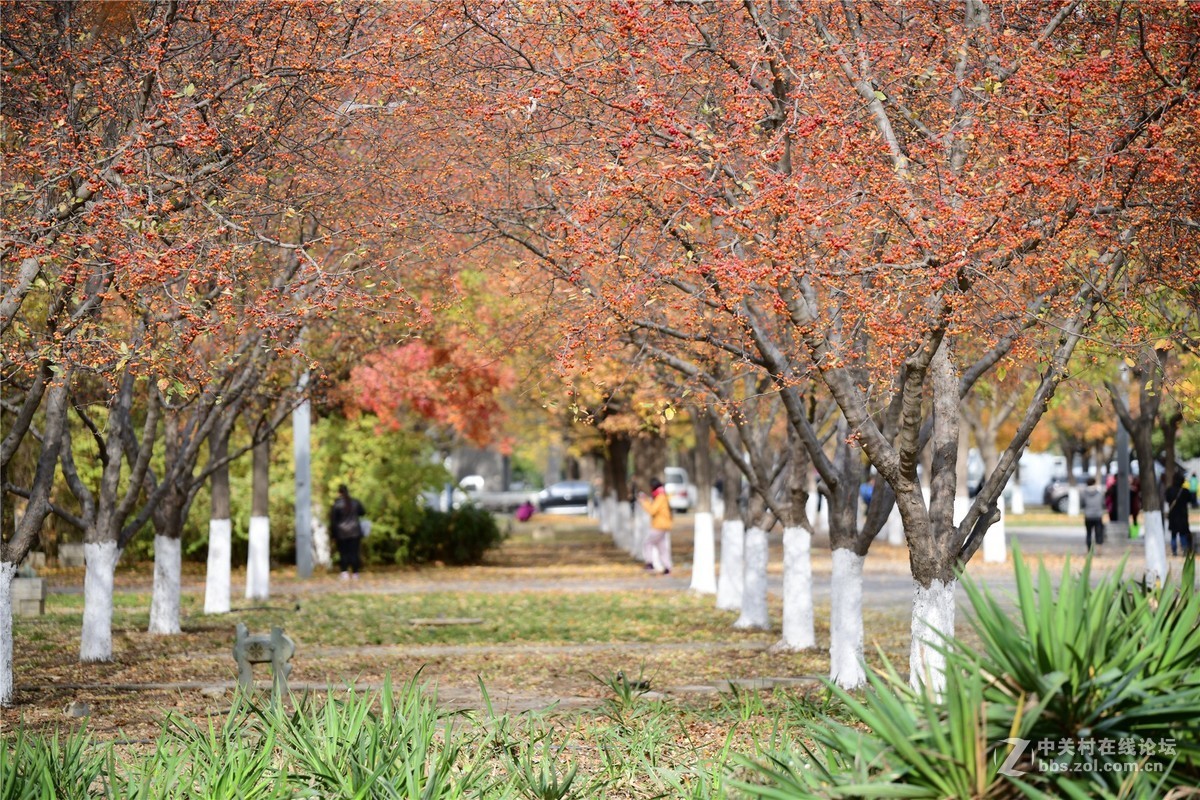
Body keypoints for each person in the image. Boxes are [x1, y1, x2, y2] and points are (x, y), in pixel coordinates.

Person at [329, 484, 365, 580]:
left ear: (339, 493)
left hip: (341, 533)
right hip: (355, 532)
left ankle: (344, 573)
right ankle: (355, 573)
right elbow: (363, 512)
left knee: (343, 553)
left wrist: (333, 534)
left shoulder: (336, 504)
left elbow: (333, 521)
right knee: (354, 553)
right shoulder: (355, 502)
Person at [638, 478, 673, 575]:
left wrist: (644, 502)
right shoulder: (660, 495)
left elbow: (652, 510)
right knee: (661, 547)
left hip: (659, 526)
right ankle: (667, 567)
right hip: (661, 525)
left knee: (647, 543)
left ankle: (650, 563)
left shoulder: (660, 496)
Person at [1165, 473, 1196, 557]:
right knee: (1183, 534)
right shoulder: (1185, 491)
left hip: (1173, 515)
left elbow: (1167, 499)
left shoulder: (1169, 490)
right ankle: (1184, 550)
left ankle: (1174, 551)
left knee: (1173, 535)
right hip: (1182, 515)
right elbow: (1191, 500)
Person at [1081, 476, 1106, 550]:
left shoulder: (1084, 494)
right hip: (1098, 515)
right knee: (1099, 533)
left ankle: (1089, 549)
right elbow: (1103, 503)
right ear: (1094, 483)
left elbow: (1082, 504)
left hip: (1088, 516)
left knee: (1089, 533)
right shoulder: (1099, 493)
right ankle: (1099, 549)